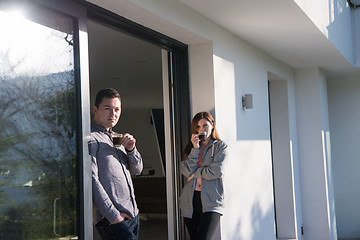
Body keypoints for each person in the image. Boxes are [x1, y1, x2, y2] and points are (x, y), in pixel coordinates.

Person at [89, 88, 143, 240]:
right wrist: (114, 217)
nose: (113, 114)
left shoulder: (117, 138)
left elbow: (137, 169)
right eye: (107, 109)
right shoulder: (91, 139)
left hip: (132, 216)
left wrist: (131, 149)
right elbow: (92, 181)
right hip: (114, 220)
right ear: (95, 110)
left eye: (117, 109)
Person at [179, 111, 228, 240]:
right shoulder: (190, 148)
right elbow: (184, 170)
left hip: (211, 200)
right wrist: (195, 149)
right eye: (198, 127)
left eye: (205, 125)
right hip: (190, 201)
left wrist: (195, 174)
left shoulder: (220, 146)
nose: (202, 130)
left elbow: (216, 171)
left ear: (212, 125)